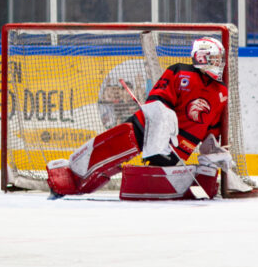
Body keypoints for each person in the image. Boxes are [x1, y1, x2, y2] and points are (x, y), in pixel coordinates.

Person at [46, 36, 234, 199]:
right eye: (215, 58)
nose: (219, 62)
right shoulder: (180, 72)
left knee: (150, 179)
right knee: (108, 149)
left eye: (220, 58)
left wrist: (211, 152)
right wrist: (162, 123)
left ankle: (80, 183)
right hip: (144, 129)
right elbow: (158, 100)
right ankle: (66, 176)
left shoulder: (221, 91)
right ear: (202, 56)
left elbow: (211, 128)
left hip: (176, 150)